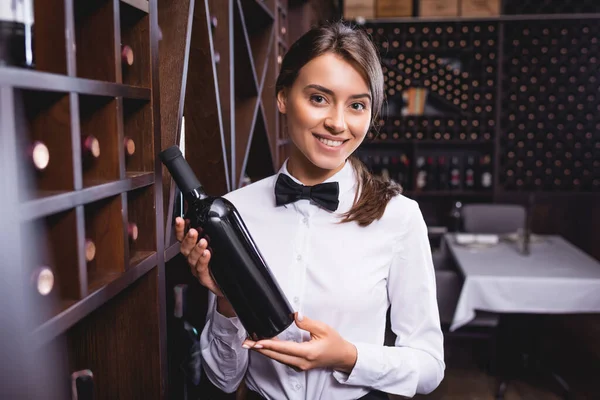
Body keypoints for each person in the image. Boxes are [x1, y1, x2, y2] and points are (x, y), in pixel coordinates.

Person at [175, 21, 445, 400]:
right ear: (283, 96)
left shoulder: (399, 218)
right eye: (319, 98)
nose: (337, 122)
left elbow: (429, 367)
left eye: (356, 105)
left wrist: (348, 357)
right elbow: (223, 378)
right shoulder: (235, 211)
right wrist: (226, 299)